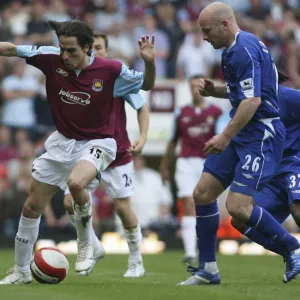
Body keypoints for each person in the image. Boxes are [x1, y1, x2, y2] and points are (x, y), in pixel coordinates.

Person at [0, 19, 155, 285]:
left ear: (87, 48)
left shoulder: (111, 70)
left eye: (71, 50)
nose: (65, 55)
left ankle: (87, 245)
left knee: (76, 183)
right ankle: (21, 270)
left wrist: (149, 62)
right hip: (62, 142)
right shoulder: (50, 58)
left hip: (99, 142)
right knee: (32, 205)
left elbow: (147, 86)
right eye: (62, 48)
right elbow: (11, 49)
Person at [178, 2, 300, 286]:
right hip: (244, 129)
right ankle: (208, 268)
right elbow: (245, 91)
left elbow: (254, 101)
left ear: (225, 24)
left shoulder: (243, 49)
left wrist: (224, 136)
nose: (205, 37)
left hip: (260, 134)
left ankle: (293, 249)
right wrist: (217, 90)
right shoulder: (235, 48)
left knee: (238, 206)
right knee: (203, 193)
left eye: (207, 31)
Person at [63, 31, 149, 277]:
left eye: (100, 47)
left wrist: (142, 137)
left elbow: (142, 107)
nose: (96, 51)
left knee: (122, 208)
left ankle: (136, 259)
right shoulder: (76, 76)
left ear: (106, 50)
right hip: (86, 151)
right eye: (93, 47)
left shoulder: (114, 77)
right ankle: (94, 245)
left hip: (118, 152)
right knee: (69, 201)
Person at [230, 76, 300, 283]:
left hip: (294, 163)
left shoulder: (288, 96)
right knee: (239, 219)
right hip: (271, 169)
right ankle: (292, 253)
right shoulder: (251, 102)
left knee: (298, 210)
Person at [160, 74, 222, 264]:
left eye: (199, 86)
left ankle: (206, 247)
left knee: (206, 205)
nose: (195, 89)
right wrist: (164, 165)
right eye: (192, 86)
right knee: (188, 203)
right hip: (186, 162)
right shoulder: (181, 112)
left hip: (208, 163)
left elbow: (223, 139)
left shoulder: (217, 112)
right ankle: (189, 252)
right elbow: (173, 140)